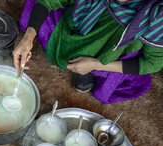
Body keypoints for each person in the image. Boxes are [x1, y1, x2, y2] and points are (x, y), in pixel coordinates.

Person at [14, 0, 163, 104]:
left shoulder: (157, 15)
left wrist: (96, 65)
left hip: (113, 52)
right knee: (33, 15)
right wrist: (28, 38)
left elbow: (151, 63)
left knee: (109, 80)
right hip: (78, 24)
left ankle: (89, 71)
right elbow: (48, 2)